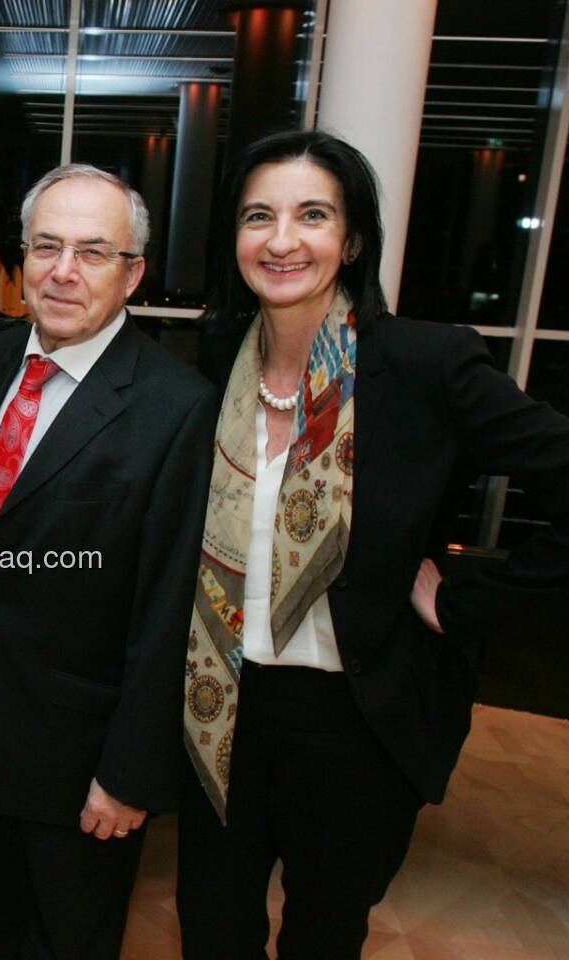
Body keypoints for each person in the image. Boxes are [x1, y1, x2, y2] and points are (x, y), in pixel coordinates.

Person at [178, 129, 569, 960]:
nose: (282, 240)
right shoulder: (216, 360)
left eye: (312, 215)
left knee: (324, 935)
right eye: (259, 217)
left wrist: (467, 603)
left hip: (354, 723)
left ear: (351, 239)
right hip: (220, 708)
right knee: (213, 930)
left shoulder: (425, 363)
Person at [0, 164, 218, 959]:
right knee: (8, 929)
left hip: (84, 760)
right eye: (46, 246)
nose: (63, 272)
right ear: (20, 257)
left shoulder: (176, 408)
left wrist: (130, 772)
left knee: (73, 940)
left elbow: (170, 610)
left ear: (133, 274)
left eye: (93, 252)